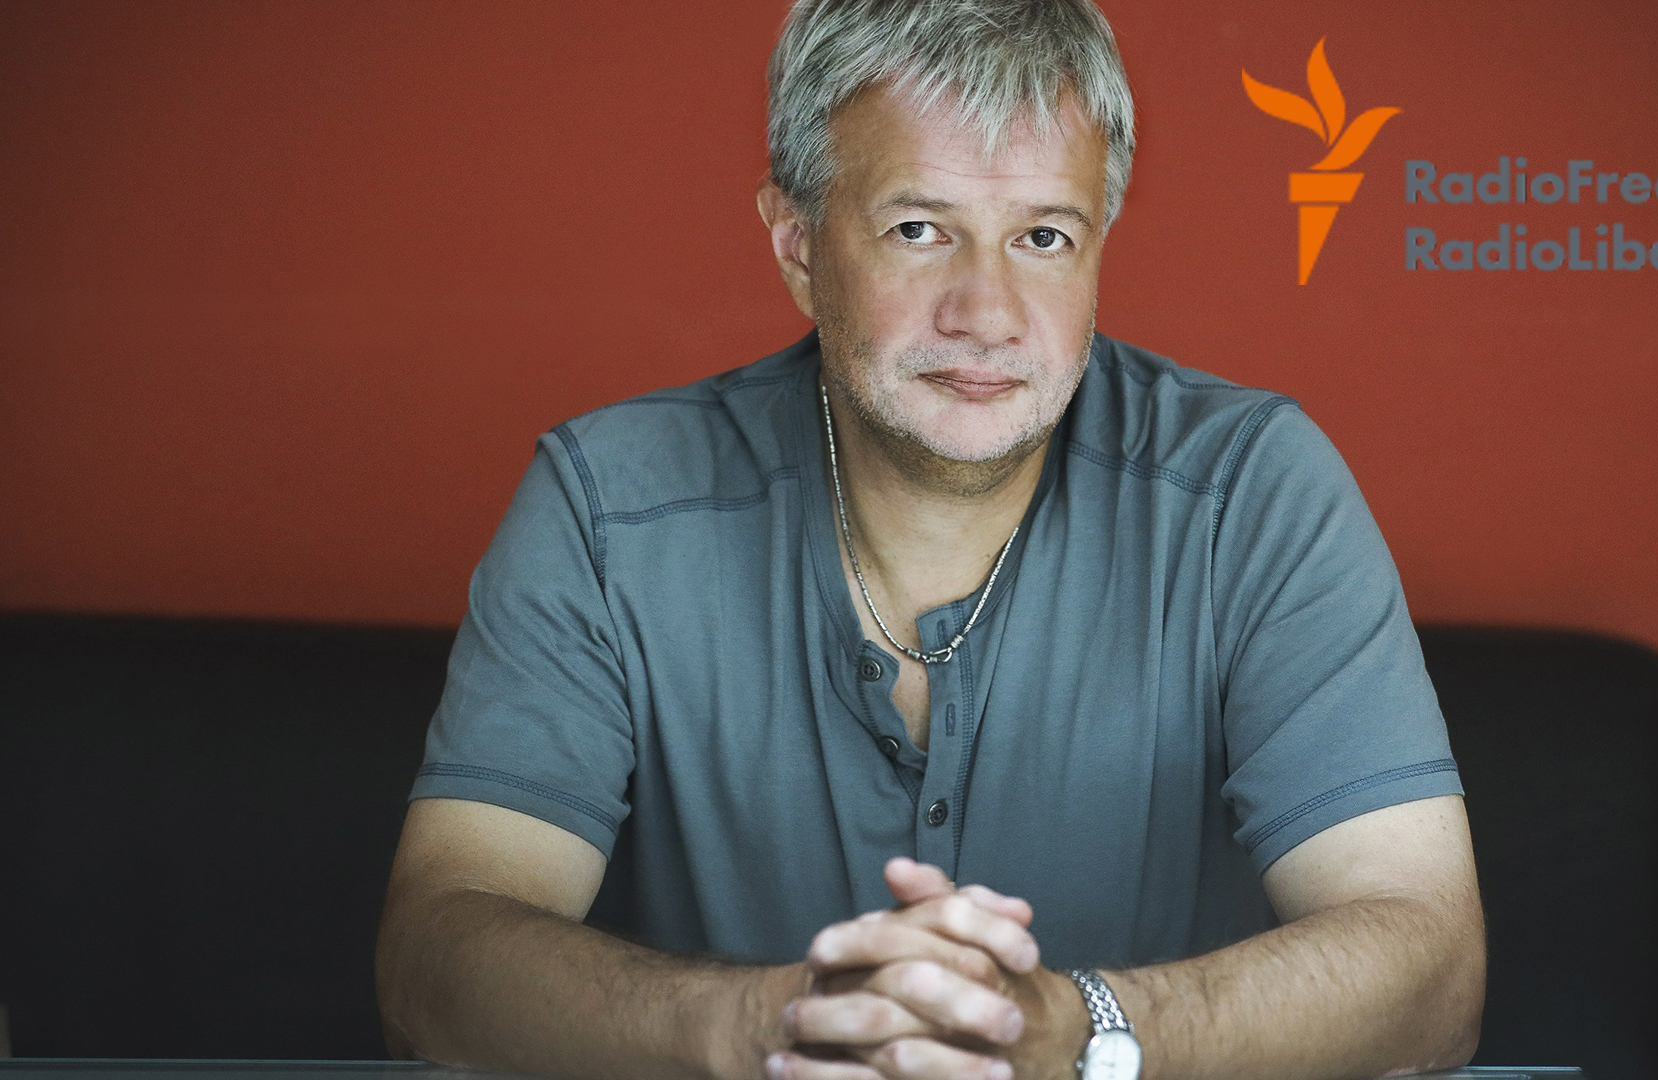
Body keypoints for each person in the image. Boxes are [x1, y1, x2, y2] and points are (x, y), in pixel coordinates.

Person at [374, 1, 1486, 1078]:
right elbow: (434, 959)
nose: (986, 312)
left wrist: (1079, 1032)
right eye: (919, 229)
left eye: (1043, 237)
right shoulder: (607, 505)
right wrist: (764, 1028)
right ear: (798, 244)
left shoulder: (1250, 491)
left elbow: (1433, 975)